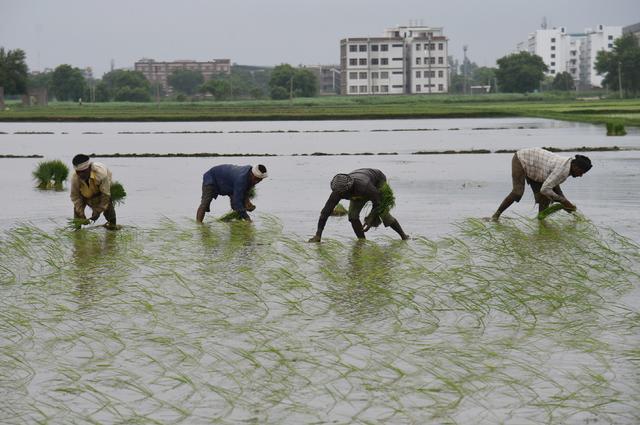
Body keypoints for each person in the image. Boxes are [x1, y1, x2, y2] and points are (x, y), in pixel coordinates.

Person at [309, 168, 409, 242]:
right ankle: (362, 242)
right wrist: (318, 235)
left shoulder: (365, 187)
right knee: (352, 216)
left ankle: (403, 236)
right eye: (339, 193)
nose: (341, 195)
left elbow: (377, 203)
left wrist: (370, 219)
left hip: (377, 181)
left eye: (343, 194)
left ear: (349, 189)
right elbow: (325, 211)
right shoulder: (338, 191)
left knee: (383, 214)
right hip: (359, 188)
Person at [492, 148, 592, 220]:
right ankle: (496, 216)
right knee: (517, 192)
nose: (581, 175)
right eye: (581, 172)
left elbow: (556, 190)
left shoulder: (567, 167)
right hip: (523, 159)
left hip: (538, 168)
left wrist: (572, 211)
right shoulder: (562, 170)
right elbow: (546, 189)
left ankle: (541, 221)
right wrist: (563, 201)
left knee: (545, 198)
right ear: (575, 167)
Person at [196, 164, 268, 223]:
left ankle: (234, 223)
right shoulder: (241, 179)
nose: (256, 182)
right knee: (205, 203)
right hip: (212, 178)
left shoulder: (250, 175)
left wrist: (247, 202)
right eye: (256, 179)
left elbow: (245, 191)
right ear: (252, 174)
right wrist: (248, 219)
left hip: (228, 183)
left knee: (237, 205)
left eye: (260, 180)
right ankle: (199, 226)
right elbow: (237, 202)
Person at [70, 154, 117, 229]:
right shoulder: (75, 178)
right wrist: (81, 214)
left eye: (83, 171)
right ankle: (77, 233)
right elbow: (75, 197)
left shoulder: (101, 174)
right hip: (85, 193)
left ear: (89, 168)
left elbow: (105, 194)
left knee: (108, 207)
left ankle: (112, 227)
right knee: (77, 211)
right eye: (78, 172)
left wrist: (98, 211)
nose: (81, 174)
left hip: (101, 192)